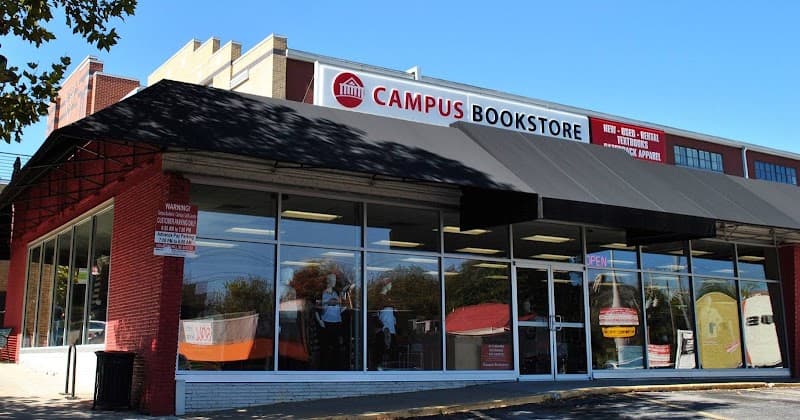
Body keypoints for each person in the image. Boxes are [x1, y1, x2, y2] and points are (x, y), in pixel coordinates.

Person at [315, 273, 344, 370]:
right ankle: (323, 369)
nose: (334, 281)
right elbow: (316, 308)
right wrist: (320, 321)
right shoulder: (321, 293)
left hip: (336, 322)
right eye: (333, 279)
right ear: (328, 281)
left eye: (335, 279)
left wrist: (343, 309)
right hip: (326, 323)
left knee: (337, 347)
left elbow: (338, 308)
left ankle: (335, 369)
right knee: (325, 348)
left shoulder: (336, 293)